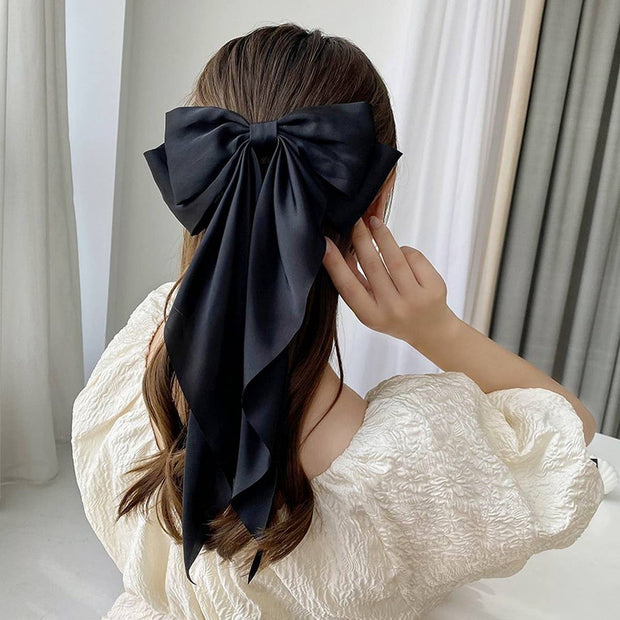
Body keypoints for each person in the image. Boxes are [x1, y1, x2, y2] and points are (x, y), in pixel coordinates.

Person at [71, 23, 605, 620]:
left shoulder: (137, 355)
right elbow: (567, 433)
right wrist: (436, 330)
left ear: (196, 178)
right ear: (377, 197)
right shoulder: (409, 461)